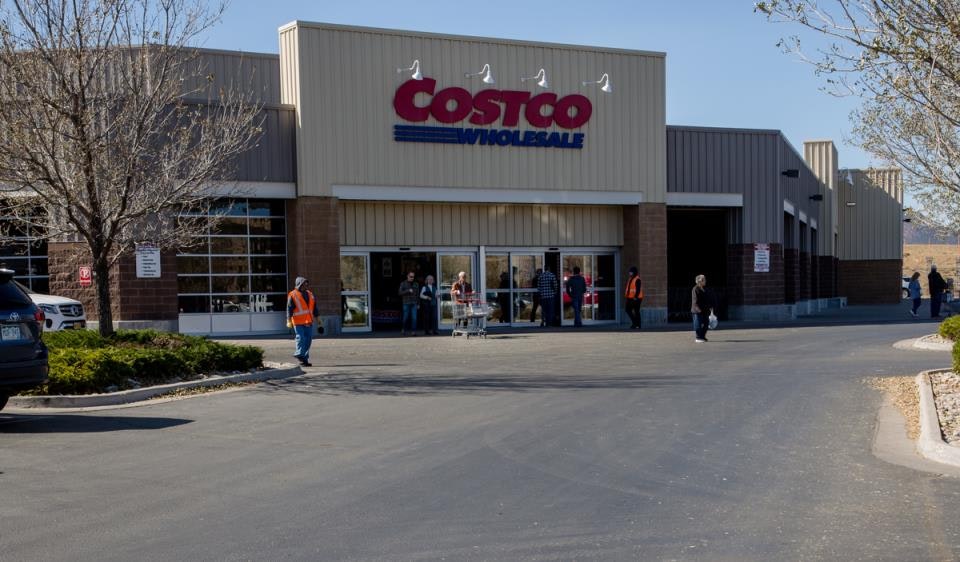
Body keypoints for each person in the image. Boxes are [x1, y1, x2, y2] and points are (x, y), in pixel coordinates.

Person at [287, 276, 319, 367]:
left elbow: (314, 308)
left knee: (308, 340)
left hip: (308, 321)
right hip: (298, 322)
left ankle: (304, 359)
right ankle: (299, 354)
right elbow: (289, 309)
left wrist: (319, 319)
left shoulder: (310, 294)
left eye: (306, 283)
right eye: (304, 283)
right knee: (300, 338)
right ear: (299, 284)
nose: (306, 285)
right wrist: (288, 320)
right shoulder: (292, 294)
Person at [691, 274, 713, 343]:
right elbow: (695, 301)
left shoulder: (704, 289)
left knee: (706, 323)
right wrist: (698, 310)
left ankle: (703, 336)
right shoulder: (695, 289)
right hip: (697, 310)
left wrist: (710, 307)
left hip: (705, 310)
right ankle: (698, 337)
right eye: (704, 280)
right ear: (700, 281)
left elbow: (707, 299)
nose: (705, 281)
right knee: (698, 324)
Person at [398, 271, 420, 336]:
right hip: (406, 303)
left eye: (413, 277)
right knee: (405, 317)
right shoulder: (403, 283)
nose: (412, 278)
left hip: (414, 303)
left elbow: (418, 295)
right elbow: (399, 292)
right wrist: (408, 291)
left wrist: (418, 303)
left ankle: (413, 331)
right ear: (407, 276)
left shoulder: (416, 284)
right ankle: (403, 329)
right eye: (411, 276)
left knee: (414, 318)